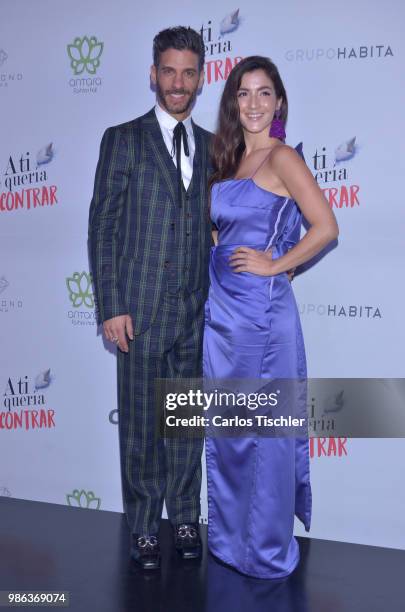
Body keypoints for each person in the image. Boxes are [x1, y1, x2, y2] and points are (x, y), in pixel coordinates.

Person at [204, 56, 339, 579]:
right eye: (244, 94)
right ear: (233, 103)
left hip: (261, 316)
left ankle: (263, 550)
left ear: (279, 102)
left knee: (264, 434)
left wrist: (276, 265)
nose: (254, 104)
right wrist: (221, 249)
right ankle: (230, 543)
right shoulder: (231, 159)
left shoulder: (283, 158)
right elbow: (224, 227)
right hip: (223, 316)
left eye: (265, 94)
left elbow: (325, 226)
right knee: (230, 429)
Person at [88, 26, 213, 570]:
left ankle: (186, 518)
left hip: (194, 312)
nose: (178, 83)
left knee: (185, 425)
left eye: (188, 72)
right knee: (140, 427)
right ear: (153, 74)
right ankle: (143, 528)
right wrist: (111, 304)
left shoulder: (213, 146)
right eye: (169, 71)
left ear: (201, 77)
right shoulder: (123, 138)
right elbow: (103, 226)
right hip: (137, 312)